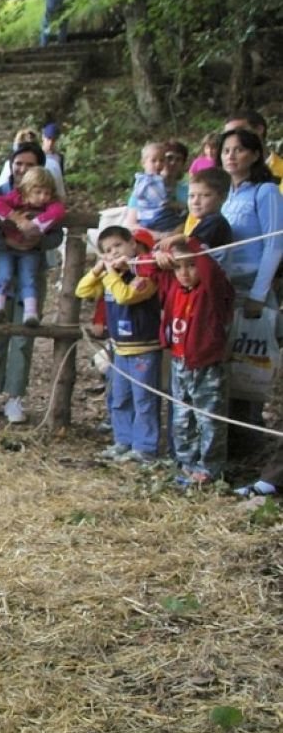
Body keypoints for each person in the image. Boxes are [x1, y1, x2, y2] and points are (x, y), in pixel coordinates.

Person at [141, 240, 235, 484]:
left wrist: (188, 241)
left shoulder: (212, 290)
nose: (184, 273)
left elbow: (210, 269)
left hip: (206, 364)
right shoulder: (173, 285)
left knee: (209, 419)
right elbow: (148, 270)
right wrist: (158, 255)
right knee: (182, 418)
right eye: (178, 267)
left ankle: (209, 469)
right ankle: (186, 464)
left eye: (191, 266)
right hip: (179, 362)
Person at [216, 125, 283, 449]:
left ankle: (250, 440)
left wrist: (259, 293)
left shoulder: (265, 191)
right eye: (226, 150)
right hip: (226, 285)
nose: (231, 156)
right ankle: (229, 439)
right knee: (228, 361)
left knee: (250, 363)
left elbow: (274, 244)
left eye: (239, 149)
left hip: (253, 285)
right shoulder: (227, 196)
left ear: (255, 154)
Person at [0, 142, 54, 423]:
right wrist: (7, 239)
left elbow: (58, 233)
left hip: (32, 274)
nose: (22, 169)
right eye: (18, 163)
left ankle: (15, 396)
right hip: (1, 270)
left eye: (30, 165)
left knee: (23, 335)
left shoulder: (46, 196)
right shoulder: (0, 195)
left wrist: (37, 236)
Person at [75, 225, 163, 464]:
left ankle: (145, 447)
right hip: (119, 349)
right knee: (120, 397)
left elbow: (126, 295)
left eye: (118, 246)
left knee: (144, 399)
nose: (113, 252)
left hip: (144, 348)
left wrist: (110, 274)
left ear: (132, 244)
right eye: (107, 250)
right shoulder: (109, 275)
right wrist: (98, 269)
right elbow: (82, 290)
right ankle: (122, 441)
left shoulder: (145, 275)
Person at [0, 166, 65, 329]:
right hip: (7, 248)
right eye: (38, 192)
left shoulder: (49, 205)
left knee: (28, 278)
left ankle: (30, 313)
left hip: (31, 249)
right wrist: (16, 219)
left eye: (47, 193)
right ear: (27, 190)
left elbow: (58, 210)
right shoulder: (15, 198)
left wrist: (35, 225)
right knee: (4, 273)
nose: (43, 197)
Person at [124, 142, 177, 234]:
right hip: (152, 219)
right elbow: (131, 223)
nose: (158, 164)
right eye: (154, 161)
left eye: (162, 160)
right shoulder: (145, 182)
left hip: (166, 220)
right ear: (143, 163)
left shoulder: (162, 181)